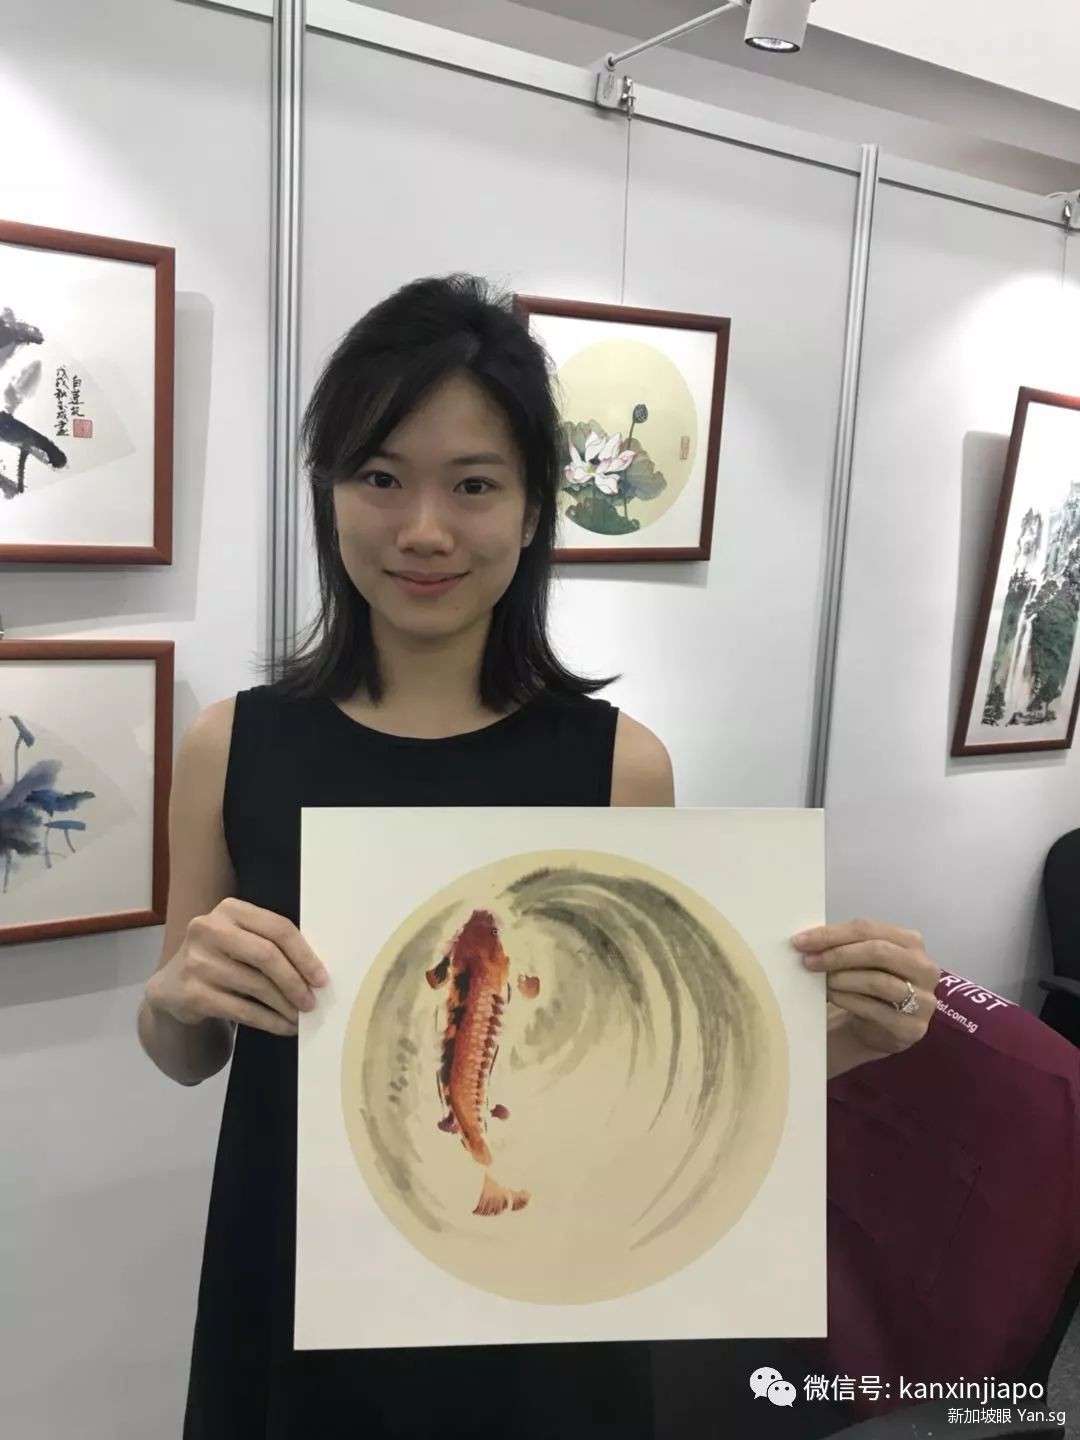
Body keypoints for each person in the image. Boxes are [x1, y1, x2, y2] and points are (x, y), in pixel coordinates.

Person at [137, 274, 941, 1440]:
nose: (424, 529)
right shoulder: (231, 747)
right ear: (328, 493)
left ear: (530, 512)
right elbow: (185, 1056)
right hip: (293, 1275)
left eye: (474, 484)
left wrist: (841, 1040)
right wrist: (175, 998)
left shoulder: (621, 767)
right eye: (380, 477)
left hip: (533, 1293)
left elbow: (630, 1081)